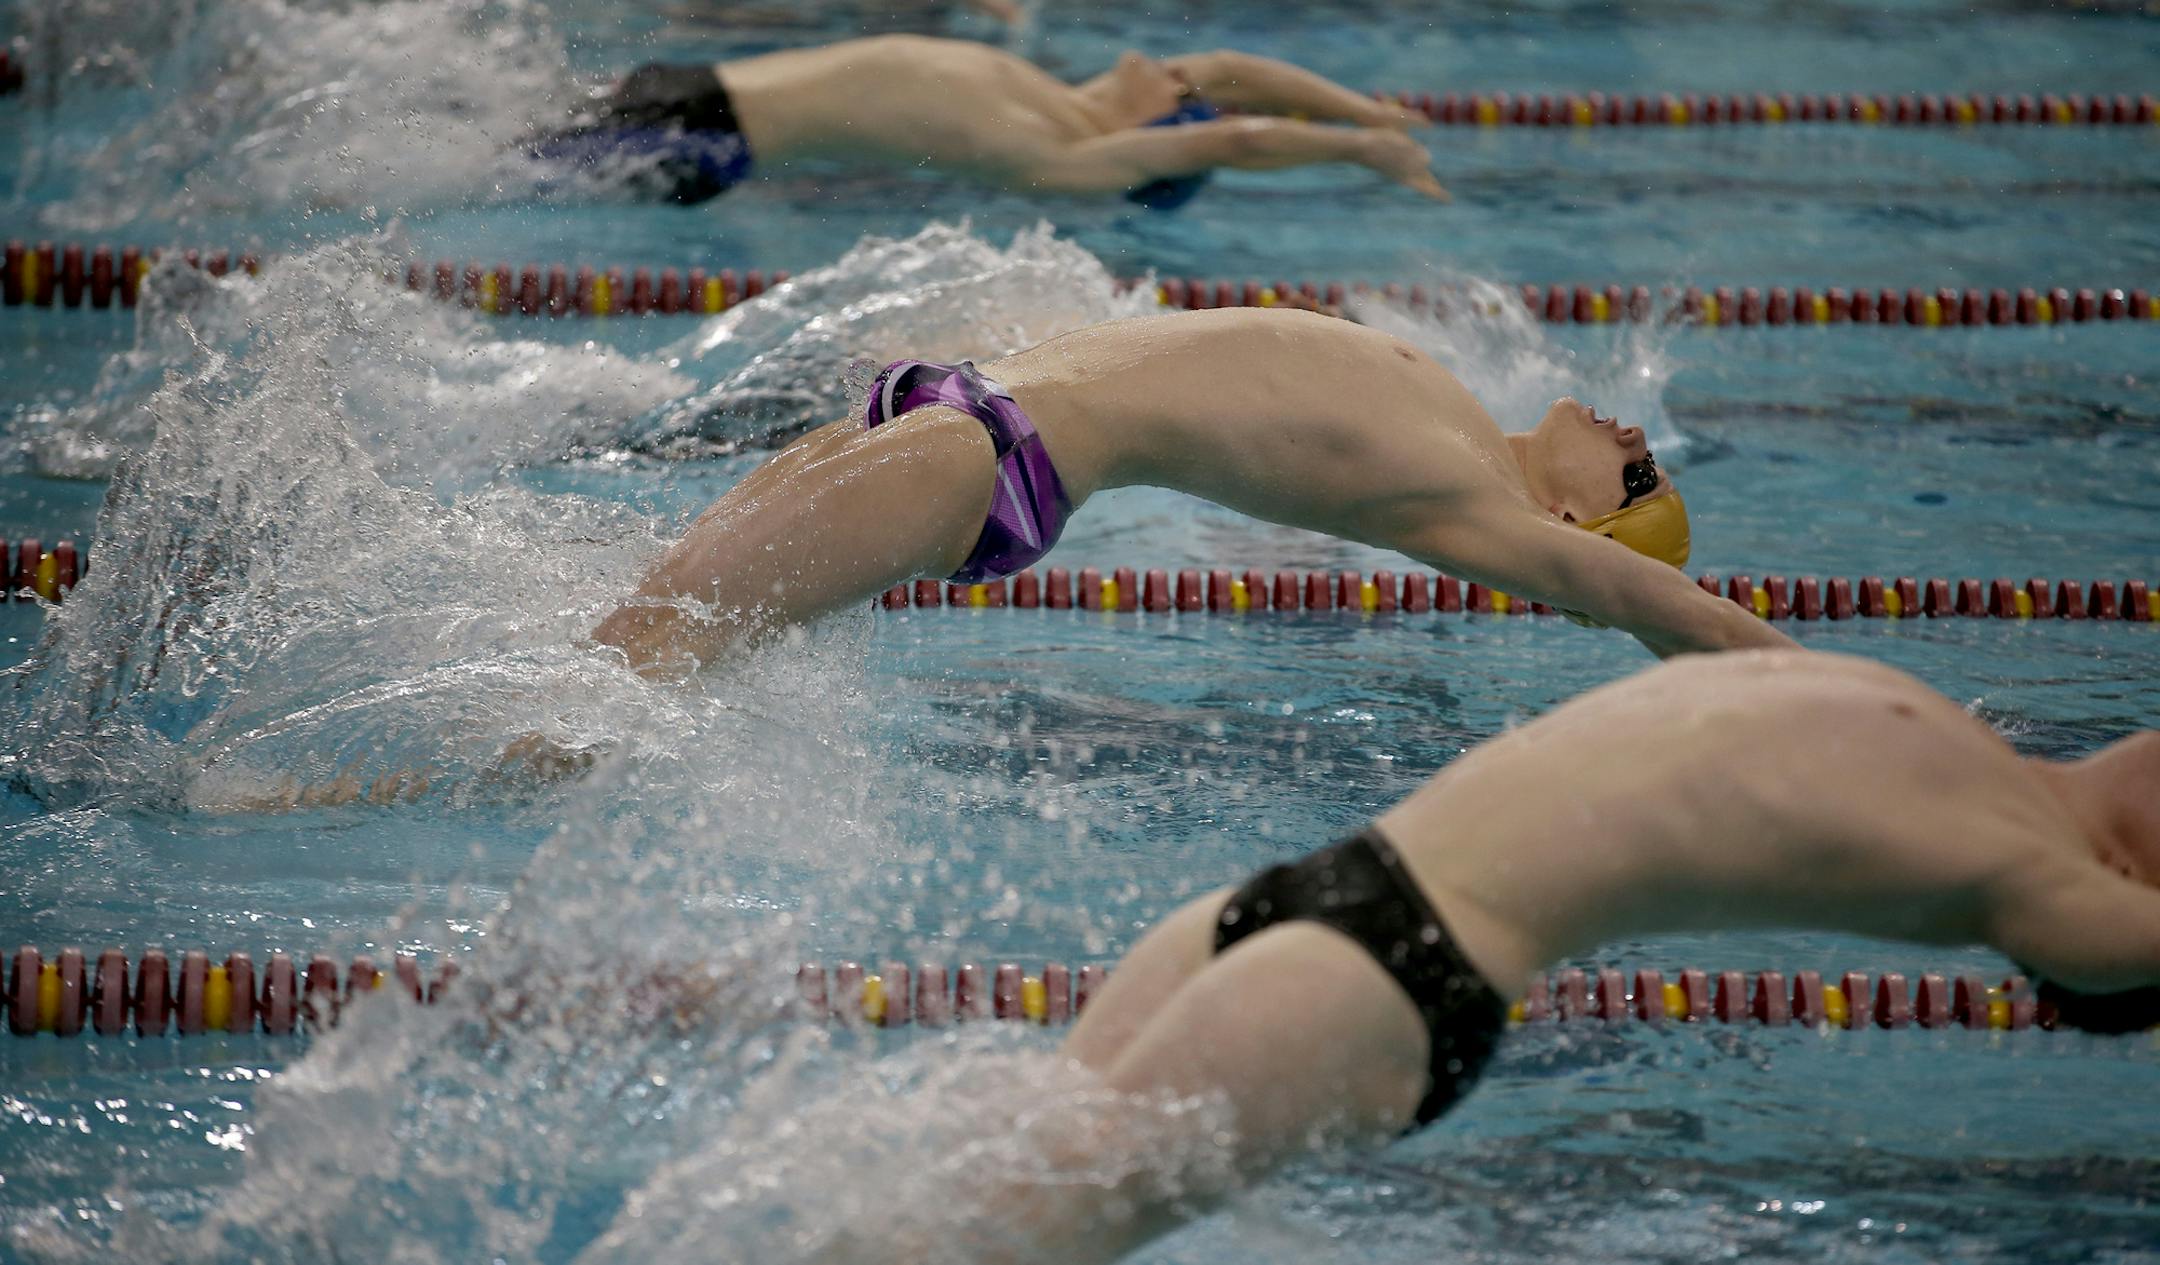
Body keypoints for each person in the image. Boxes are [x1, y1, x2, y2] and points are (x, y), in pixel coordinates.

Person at [877, 649, 2160, 1265]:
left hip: (1389, 974)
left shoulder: (2037, 885)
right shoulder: (1999, 768)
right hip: (1312, 896)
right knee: (924, 1221)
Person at [590, 306, 1797, 677]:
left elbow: (1664, 613)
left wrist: (1878, 717)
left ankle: (410, 793)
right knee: (634, 631)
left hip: (984, 460)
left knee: (643, 659)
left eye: (1639, 474)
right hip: (945, 410)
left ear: (1582, 527)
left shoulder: (1483, 511)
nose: (1636, 430)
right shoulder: (1470, 428)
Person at [526, 39, 1443, 206]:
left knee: (477, 163)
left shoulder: (1051, 151)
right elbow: (1233, 70)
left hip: (696, 140)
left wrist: (1364, 149)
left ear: (1165, 128)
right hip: (695, 90)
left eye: (1173, 86)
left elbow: (1233, 133)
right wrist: (1367, 106)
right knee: (471, 133)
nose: (1166, 66)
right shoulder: (1060, 95)